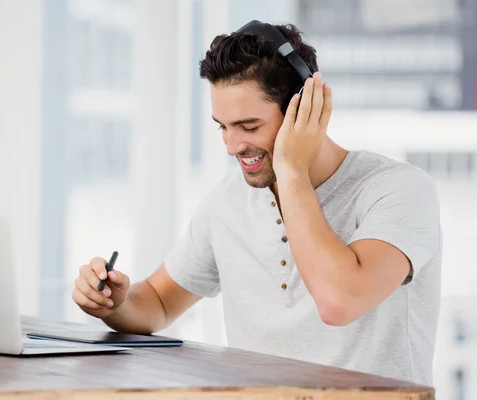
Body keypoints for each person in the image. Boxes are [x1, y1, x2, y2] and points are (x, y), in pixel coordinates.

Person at [72, 21, 441, 386]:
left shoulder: (398, 190)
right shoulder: (228, 201)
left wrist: (292, 171)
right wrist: (116, 304)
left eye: (249, 127)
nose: (232, 147)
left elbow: (339, 302)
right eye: (223, 126)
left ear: (305, 108)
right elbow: (159, 302)